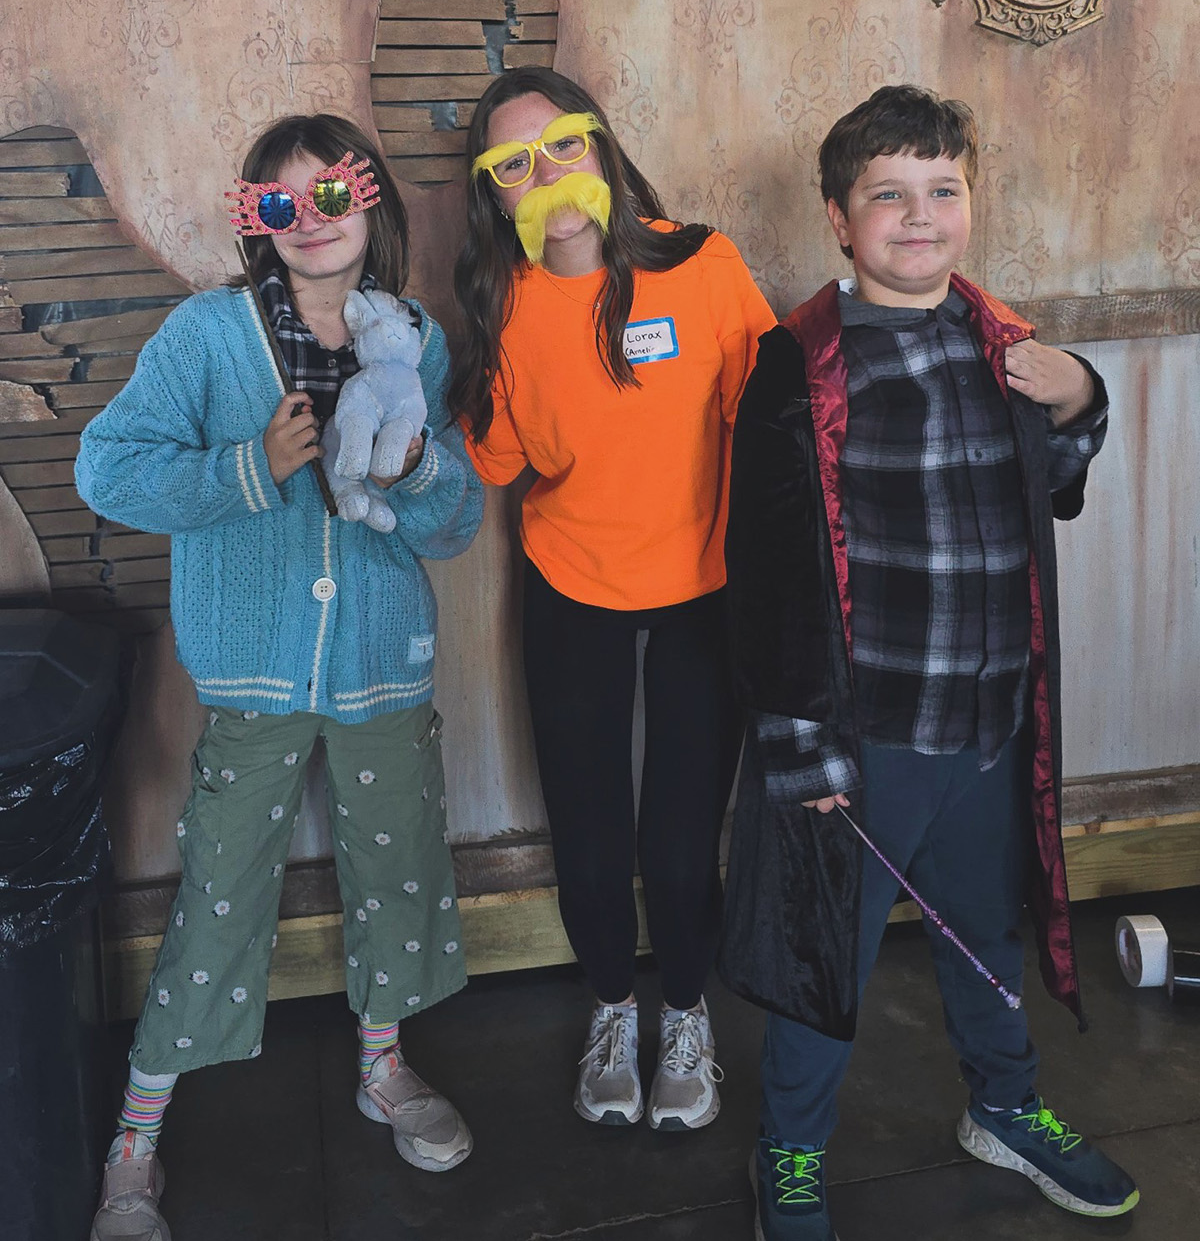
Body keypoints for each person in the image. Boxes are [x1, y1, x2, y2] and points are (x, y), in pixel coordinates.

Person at [720, 85, 1138, 1239]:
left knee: (984, 926)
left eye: (942, 191)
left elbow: (1051, 491)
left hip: (992, 715)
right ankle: (791, 1151)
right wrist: (802, 747)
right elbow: (762, 572)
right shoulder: (795, 369)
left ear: (970, 201)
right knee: (827, 956)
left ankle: (1004, 1105)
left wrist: (1084, 401)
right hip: (870, 729)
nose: (920, 217)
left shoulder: (1003, 343)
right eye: (888, 197)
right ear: (839, 219)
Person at [77, 114, 483, 1241]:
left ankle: (382, 1063)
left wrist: (412, 467)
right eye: (278, 204)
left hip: (383, 667)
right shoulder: (206, 339)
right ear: (249, 218)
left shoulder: (414, 342)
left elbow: (453, 525)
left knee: (398, 870)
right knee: (220, 886)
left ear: (375, 208)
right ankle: (139, 1128)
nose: (309, 223)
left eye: (333, 197)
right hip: (253, 674)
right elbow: (107, 467)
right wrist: (247, 469)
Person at [450, 67, 776, 1132]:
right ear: (494, 193)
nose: (545, 173)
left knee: (682, 840)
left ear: (603, 147)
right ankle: (609, 1008)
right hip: (570, 587)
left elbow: (765, 418)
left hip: (703, 588)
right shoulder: (502, 303)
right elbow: (499, 464)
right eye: (513, 164)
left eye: (563, 144)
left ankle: (684, 1012)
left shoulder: (703, 263)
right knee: (588, 833)